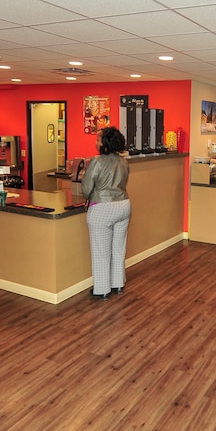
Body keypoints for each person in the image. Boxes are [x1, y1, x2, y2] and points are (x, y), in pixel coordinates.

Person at [80, 126, 131, 300]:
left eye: (98, 139)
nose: (96, 142)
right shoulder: (124, 161)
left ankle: (101, 289)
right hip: (124, 205)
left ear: (105, 142)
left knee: (101, 251)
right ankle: (117, 284)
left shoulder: (98, 161)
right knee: (118, 248)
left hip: (103, 207)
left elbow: (87, 189)